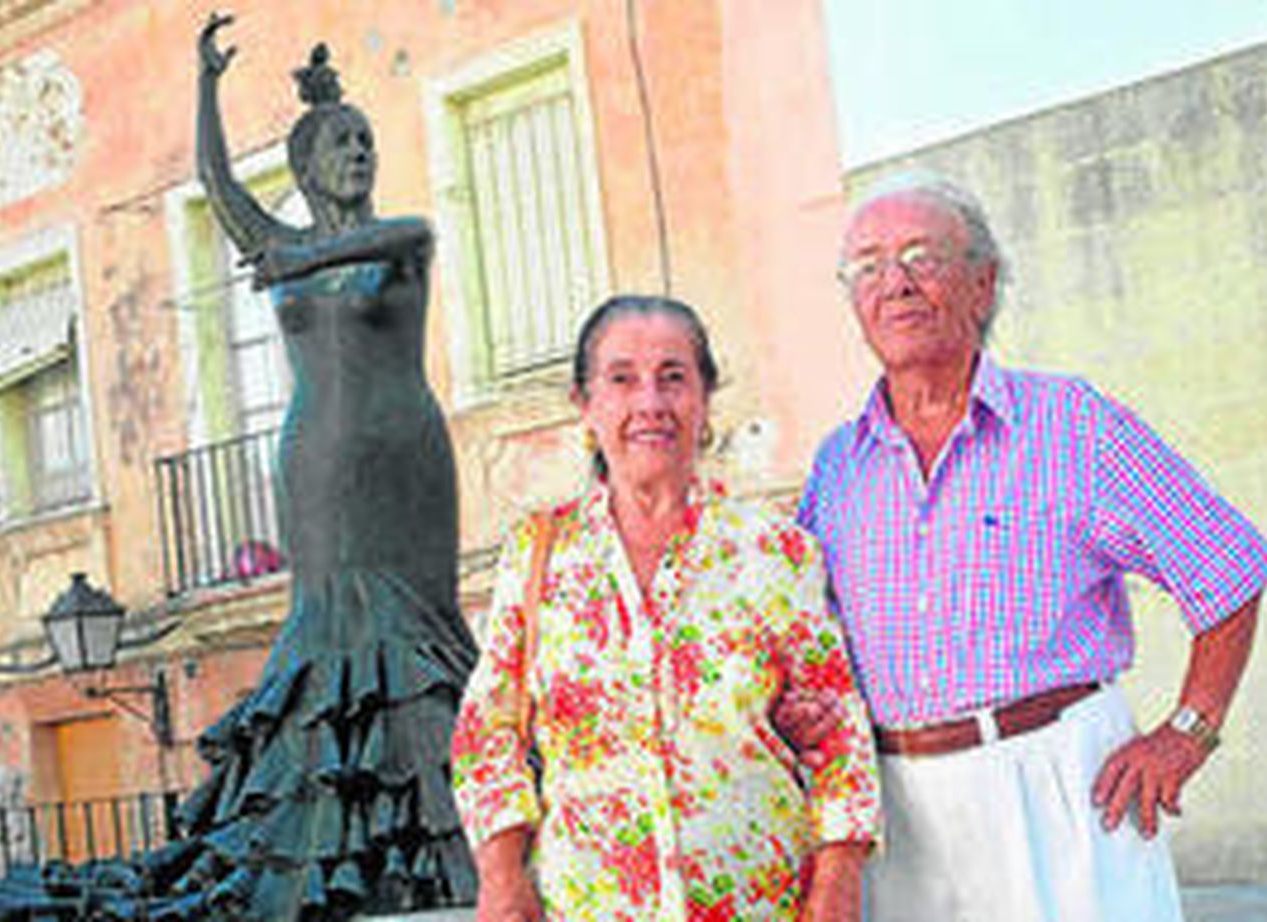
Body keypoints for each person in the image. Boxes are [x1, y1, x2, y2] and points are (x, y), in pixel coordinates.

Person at [786, 173, 1267, 922]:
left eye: (922, 257)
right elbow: (809, 643)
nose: (895, 283)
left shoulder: (1072, 424)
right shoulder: (835, 465)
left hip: (1059, 785)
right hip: (897, 811)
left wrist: (1189, 733)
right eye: (868, 266)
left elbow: (1228, 570)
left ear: (983, 284)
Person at [174, 18, 479, 918]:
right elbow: (217, 186)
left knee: (419, 635)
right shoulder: (278, 239)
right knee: (329, 627)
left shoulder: (403, 238)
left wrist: (291, 257)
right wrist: (206, 86)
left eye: (365, 140)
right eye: (341, 143)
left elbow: (372, 242)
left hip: (405, 459)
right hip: (317, 462)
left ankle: (457, 841)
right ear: (306, 167)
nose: (358, 153)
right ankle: (338, 849)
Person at [452, 295, 882, 922]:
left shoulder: (775, 550)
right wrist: (501, 876)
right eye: (622, 379)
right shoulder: (539, 554)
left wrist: (837, 883)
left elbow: (839, 730)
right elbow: (487, 728)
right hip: (590, 907)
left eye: (673, 377)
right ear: (585, 404)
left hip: (760, 904)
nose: (650, 402)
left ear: (705, 398)